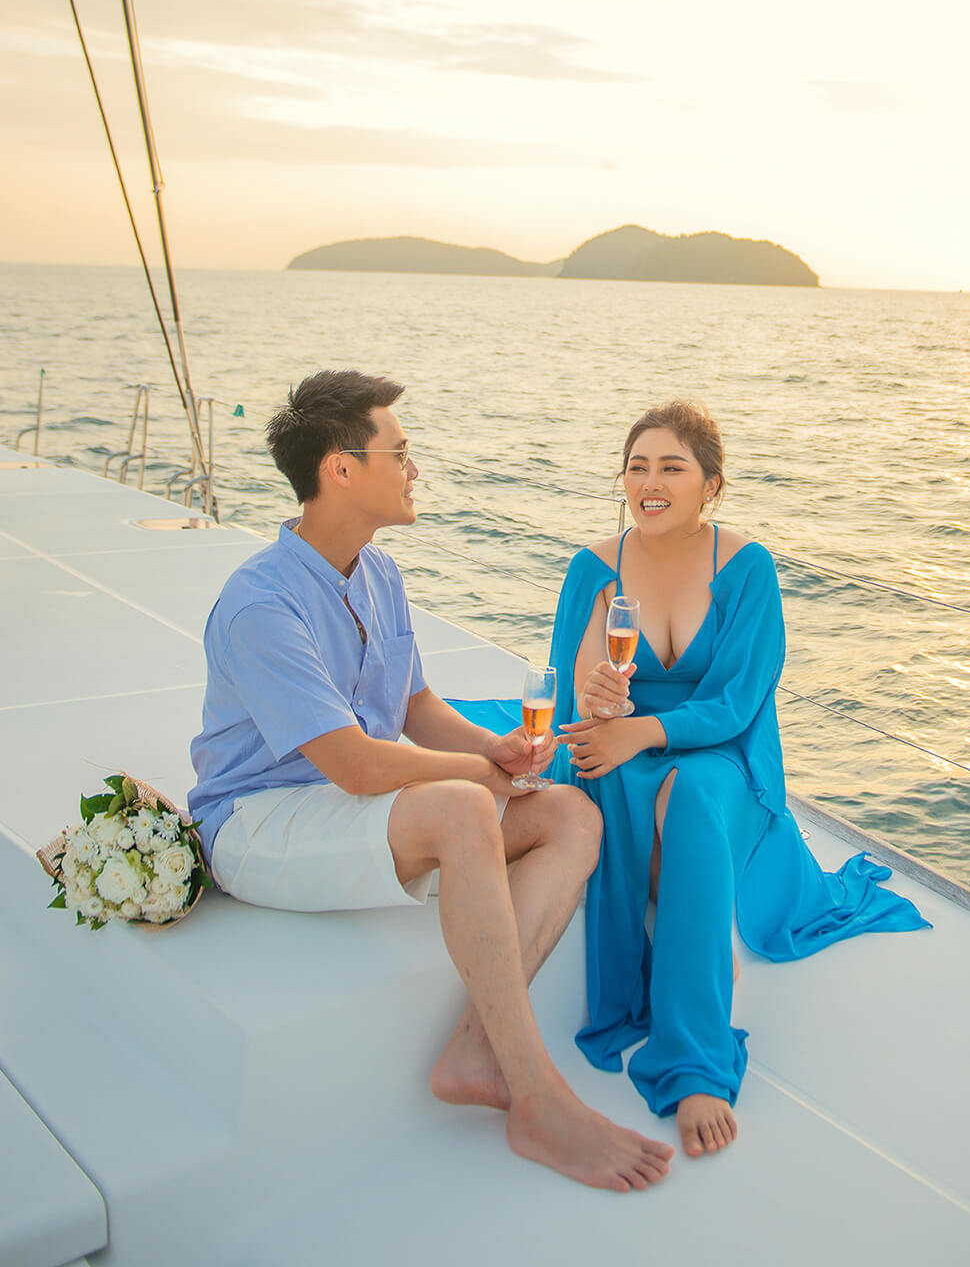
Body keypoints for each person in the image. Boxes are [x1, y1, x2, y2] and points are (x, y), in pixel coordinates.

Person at [188, 369, 672, 1194]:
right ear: (340, 469)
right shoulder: (259, 604)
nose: (415, 469)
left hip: (350, 809)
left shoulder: (378, 575)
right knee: (461, 806)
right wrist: (483, 771)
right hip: (258, 822)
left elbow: (413, 706)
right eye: (400, 453)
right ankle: (538, 1097)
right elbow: (358, 762)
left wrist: (502, 751)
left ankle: (478, 1049)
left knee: (566, 815)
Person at [551, 400, 929, 1159]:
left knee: (691, 797)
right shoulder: (596, 567)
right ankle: (635, 987)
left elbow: (737, 703)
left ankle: (693, 1060)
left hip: (719, 752)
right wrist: (601, 706)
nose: (649, 483)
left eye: (671, 467)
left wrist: (645, 730)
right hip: (626, 745)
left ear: (710, 487)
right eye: (636, 467)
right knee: (609, 780)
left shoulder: (746, 567)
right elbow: (575, 696)